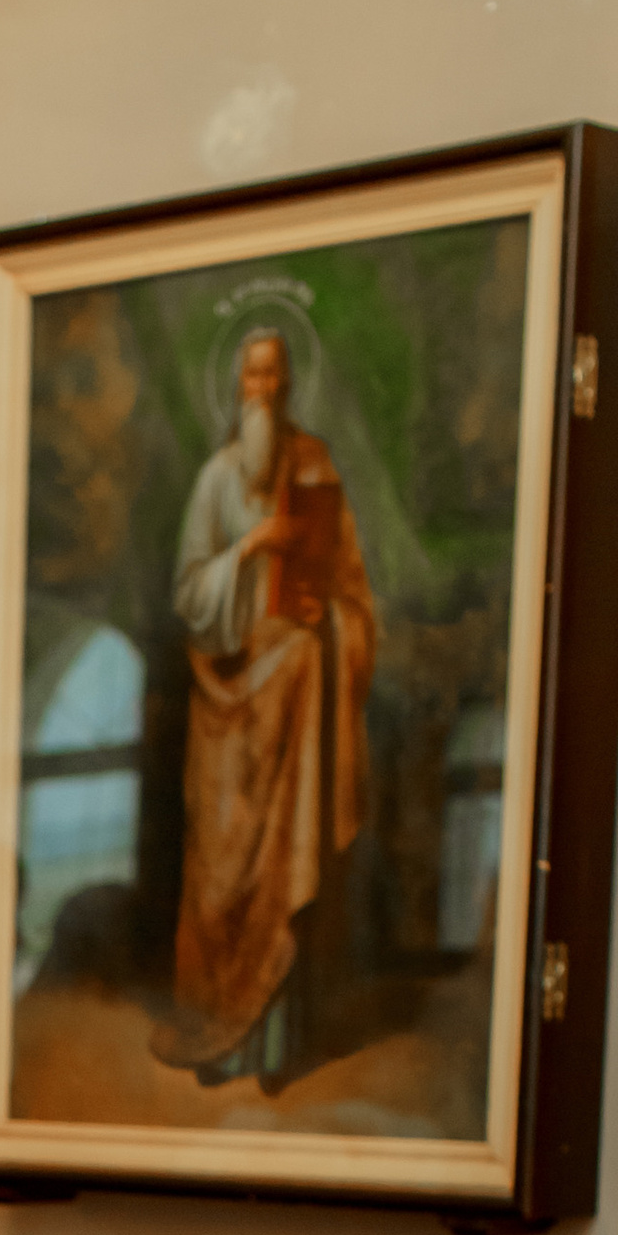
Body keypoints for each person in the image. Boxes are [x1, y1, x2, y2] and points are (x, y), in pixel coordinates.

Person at [163, 325, 377, 1086]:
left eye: (276, 377)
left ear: (291, 384)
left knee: (290, 864)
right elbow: (192, 593)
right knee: (225, 865)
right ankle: (225, 1038)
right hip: (230, 701)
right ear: (237, 387)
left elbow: (354, 593)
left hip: (299, 703)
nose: (266, 390)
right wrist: (253, 546)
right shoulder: (218, 479)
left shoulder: (316, 468)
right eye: (253, 377)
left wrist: (331, 619)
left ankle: (277, 1047)